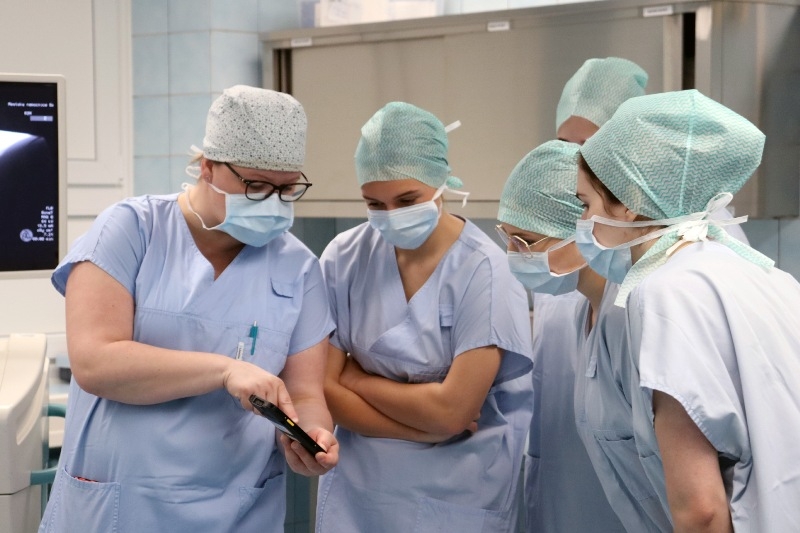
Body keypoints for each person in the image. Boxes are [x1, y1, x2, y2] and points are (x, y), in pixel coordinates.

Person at [39, 86, 339, 532]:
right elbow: (95, 362)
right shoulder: (132, 230)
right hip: (120, 507)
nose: (274, 203)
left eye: (287, 188)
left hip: (238, 512)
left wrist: (311, 435)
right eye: (256, 186)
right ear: (208, 167)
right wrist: (225, 371)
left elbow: (307, 394)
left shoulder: (299, 269)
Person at [576, 88, 800, 531]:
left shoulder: (667, 291)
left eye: (585, 204)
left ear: (630, 200)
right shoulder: (765, 276)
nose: (581, 223)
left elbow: (701, 511)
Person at [315, 102, 534, 532]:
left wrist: (355, 379)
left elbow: (453, 412)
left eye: (407, 200)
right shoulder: (344, 257)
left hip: (455, 494)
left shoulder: (485, 270)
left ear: (441, 182)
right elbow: (320, 388)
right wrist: (423, 429)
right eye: (374, 203)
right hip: (358, 498)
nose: (391, 215)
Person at [499, 140, 671, 532]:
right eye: (506, 237)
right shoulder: (587, 309)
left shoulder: (630, 312)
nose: (513, 253)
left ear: (581, 227)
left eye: (525, 241)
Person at [517, 57, 649, 532]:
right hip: (558, 480)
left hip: (631, 494)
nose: (572, 164)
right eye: (564, 145)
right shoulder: (561, 236)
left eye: (589, 147)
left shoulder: (670, 244)